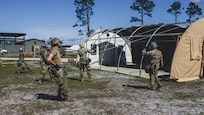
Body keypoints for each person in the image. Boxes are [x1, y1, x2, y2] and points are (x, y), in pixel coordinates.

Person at [47, 37, 74, 102]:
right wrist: (55, 64)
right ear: (56, 43)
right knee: (63, 83)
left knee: (61, 82)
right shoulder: (54, 50)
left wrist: (67, 61)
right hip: (57, 69)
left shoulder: (55, 50)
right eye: (59, 42)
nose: (60, 43)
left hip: (58, 69)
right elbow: (49, 59)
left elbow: (58, 60)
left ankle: (59, 96)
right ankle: (66, 97)